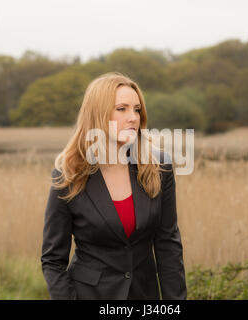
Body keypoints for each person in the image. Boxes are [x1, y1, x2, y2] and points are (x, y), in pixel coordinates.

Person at [41, 72, 186, 300]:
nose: (133, 118)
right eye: (122, 109)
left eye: (137, 109)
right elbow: (52, 260)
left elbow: (168, 245)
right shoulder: (69, 174)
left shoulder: (159, 167)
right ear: (98, 114)